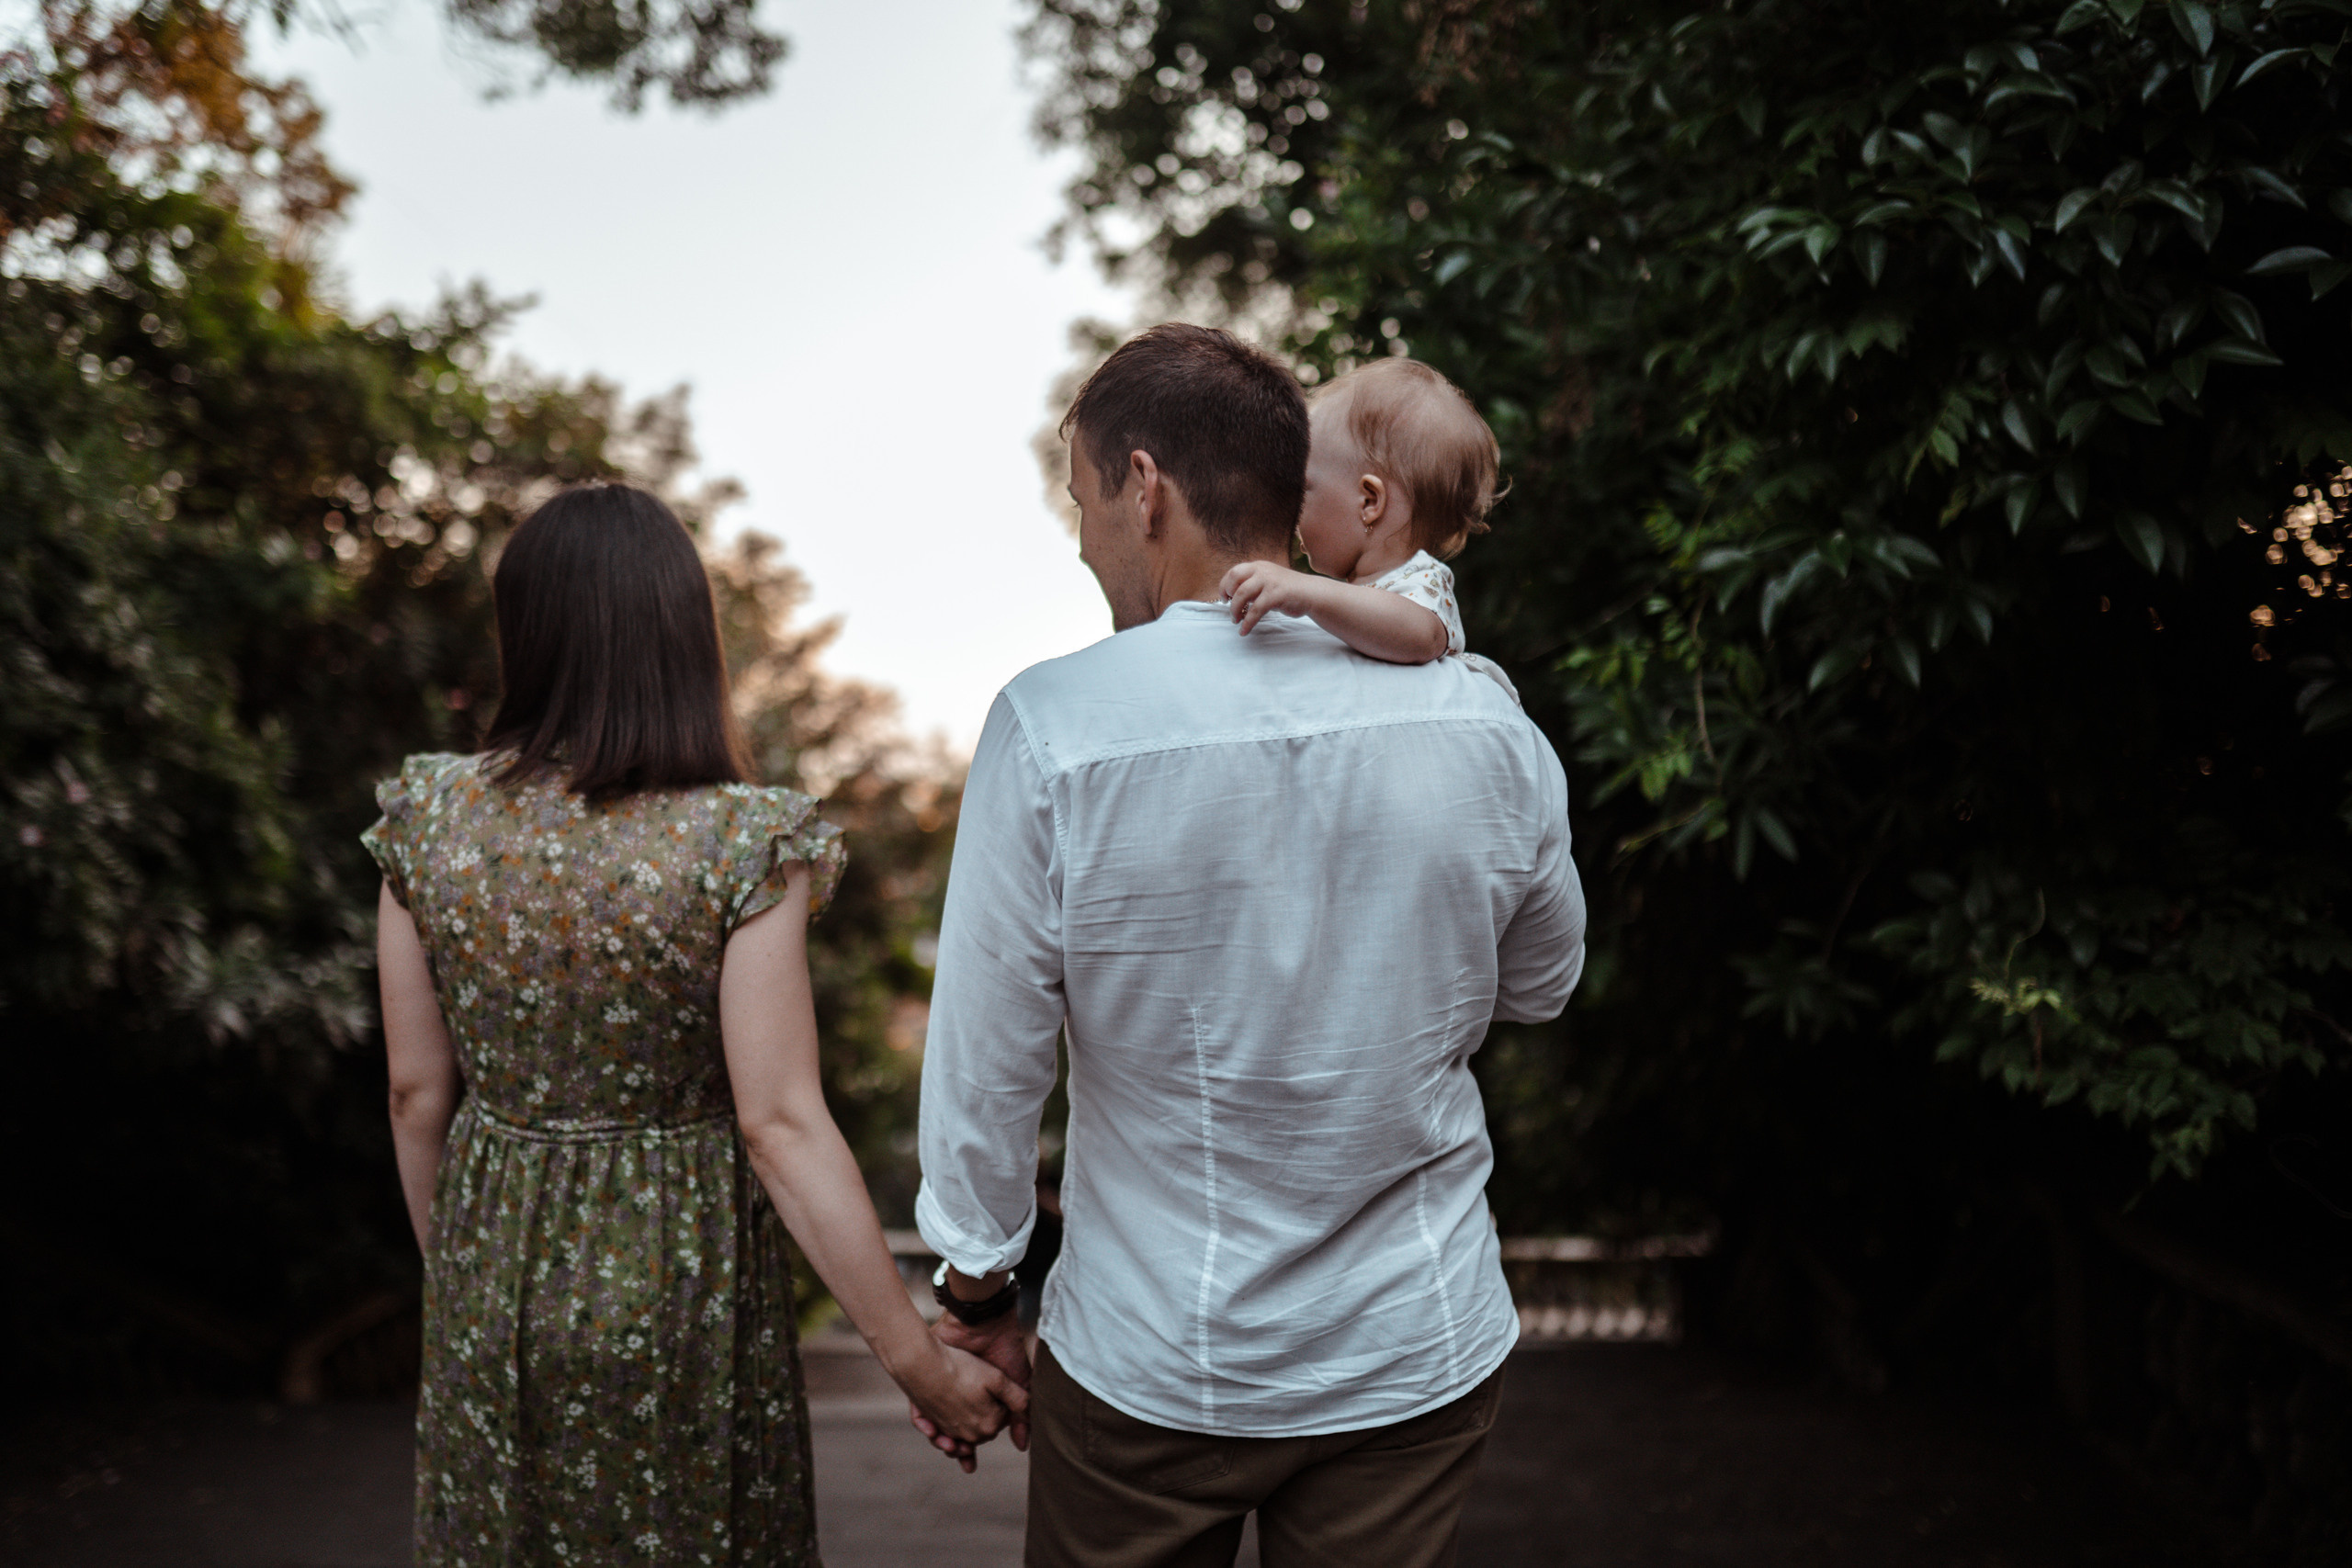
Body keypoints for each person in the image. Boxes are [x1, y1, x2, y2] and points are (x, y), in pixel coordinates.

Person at [910, 324, 1587, 1566]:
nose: (1080, 536)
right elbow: (1541, 983)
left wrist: (979, 1302)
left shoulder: (1055, 724)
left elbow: (988, 1064)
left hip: (1154, 1364)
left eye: (1082, 497)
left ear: (1144, 485)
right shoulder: (1487, 720)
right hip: (1409, 1345)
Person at [365, 483, 1022, 1566]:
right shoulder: (740, 843)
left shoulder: (426, 819)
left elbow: (414, 1093)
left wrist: (470, 1280)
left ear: (522, 634)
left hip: (492, 1288)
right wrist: (923, 1365)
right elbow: (780, 1124)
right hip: (688, 1299)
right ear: (684, 637)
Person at [1216, 356, 1517, 700]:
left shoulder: (1421, 582)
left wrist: (1305, 591)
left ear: (1369, 502)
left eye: (1303, 490)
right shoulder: (1351, 600)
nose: (1291, 509)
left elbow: (1419, 634)